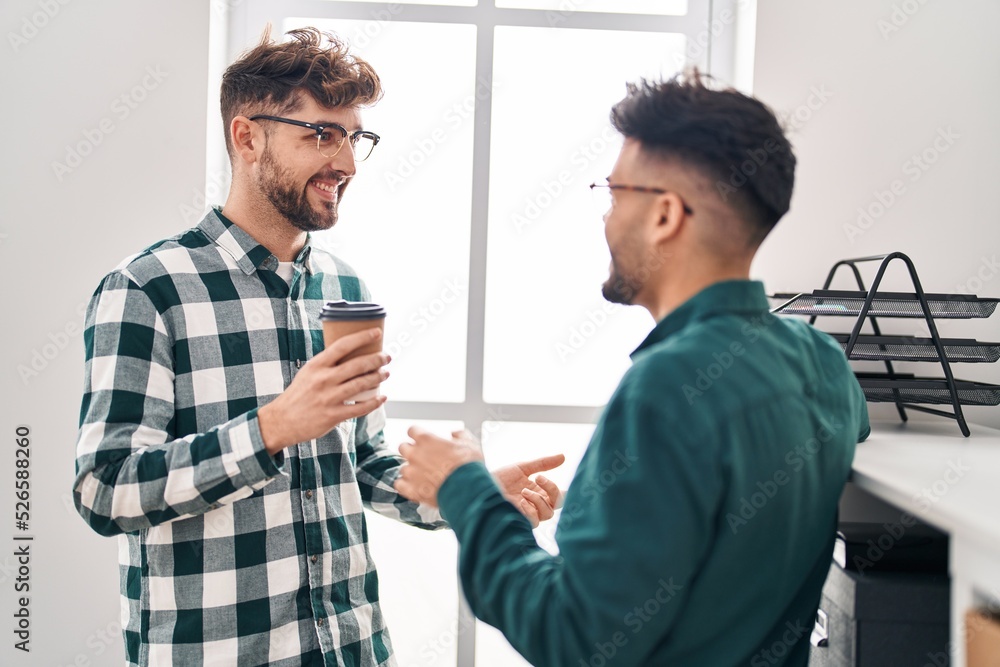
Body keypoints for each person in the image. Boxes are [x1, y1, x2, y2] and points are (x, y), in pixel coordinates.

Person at [73, 27, 561, 667]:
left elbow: (359, 462)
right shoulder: (147, 288)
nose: (349, 163)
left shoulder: (343, 286)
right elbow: (105, 490)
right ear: (247, 137)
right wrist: (273, 427)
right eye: (321, 135)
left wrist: (461, 495)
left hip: (353, 649)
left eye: (355, 138)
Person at [395, 72, 871, 666]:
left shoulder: (669, 387)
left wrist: (465, 489)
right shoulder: (821, 362)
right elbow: (738, 487)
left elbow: (573, 639)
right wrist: (613, 498)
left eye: (616, 193)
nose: (606, 218)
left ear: (665, 215)